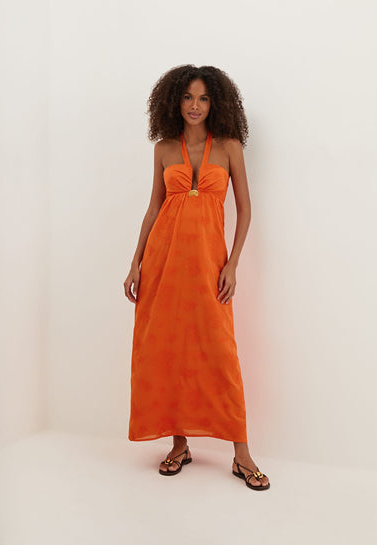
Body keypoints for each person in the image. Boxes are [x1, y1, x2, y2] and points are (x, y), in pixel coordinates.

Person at [123, 65, 270, 491]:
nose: (195, 105)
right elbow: (154, 208)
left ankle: (242, 454)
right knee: (168, 349)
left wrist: (233, 264)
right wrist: (135, 263)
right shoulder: (164, 149)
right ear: (174, 101)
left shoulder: (228, 147)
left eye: (203, 98)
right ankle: (179, 444)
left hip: (209, 266)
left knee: (220, 353)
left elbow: (245, 209)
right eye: (188, 97)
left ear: (215, 102)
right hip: (163, 264)